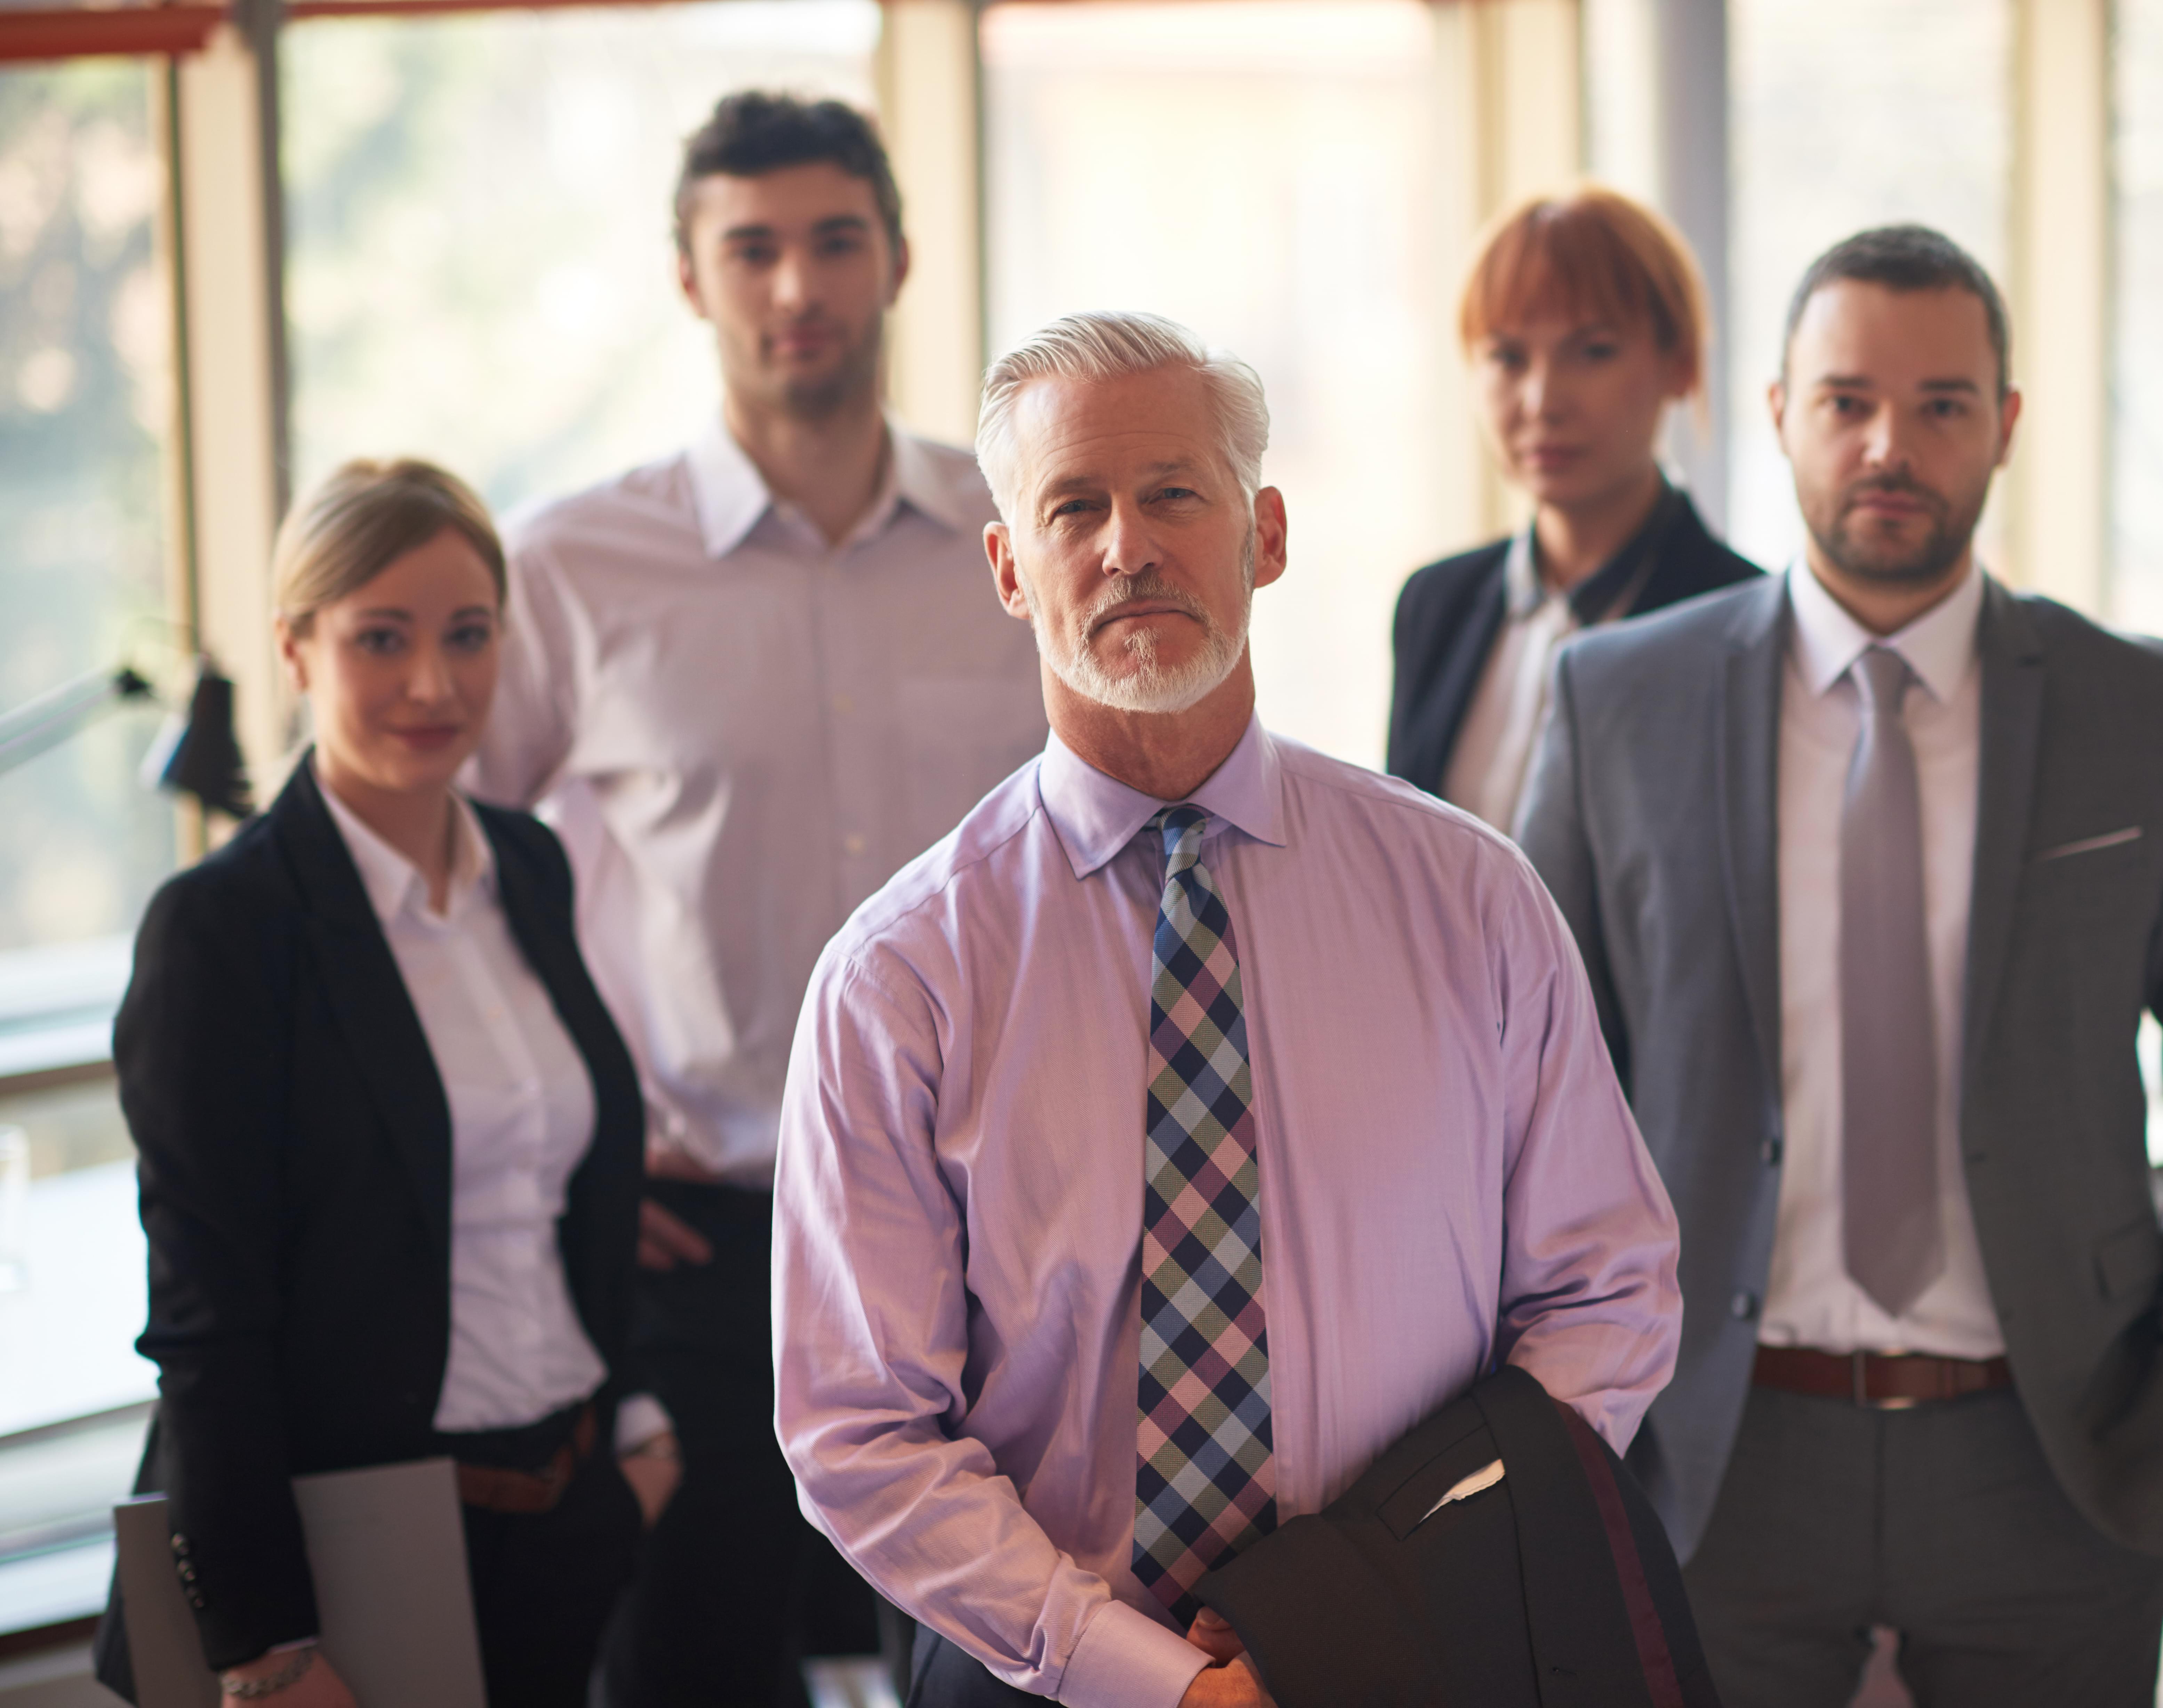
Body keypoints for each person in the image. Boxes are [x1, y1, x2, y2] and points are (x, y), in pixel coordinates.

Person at [771, 310, 1684, 1708]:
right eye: (1075, 506)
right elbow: (861, 1429)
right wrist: (1161, 1682)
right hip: (1043, 1685)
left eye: (1173, 494)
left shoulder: (1470, 899)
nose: (1126, 544)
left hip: (1425, 1662)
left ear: (1263, 534)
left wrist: (1382, 1597)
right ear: (1012, 569)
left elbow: (1606, 1293)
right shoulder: (901, 978)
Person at [1516, 225, 2163, 1706]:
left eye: (1943, 403)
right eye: (1847, 401)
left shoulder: (2152, 713)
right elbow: (1513, 1105)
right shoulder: (1615, 700)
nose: (1890, 445)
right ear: (1775, 414)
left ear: (2005, 425)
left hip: (2056, 1452)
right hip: (1713, 1456)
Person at [467, 92, 1048, 1705]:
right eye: (753, 248)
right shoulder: (575, 567)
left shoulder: (1019, 539)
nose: (797, 286)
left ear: (898, 262)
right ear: (689, 278)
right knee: (695, 1670)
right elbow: (442, 881)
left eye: (834, 242)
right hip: (703, 1236)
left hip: (998, 1216)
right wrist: (567, 1137)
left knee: (1010, 1656)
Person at [97, 460, 659, 1707]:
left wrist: (633, 1425)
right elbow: (207, 1318)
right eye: (381, 639)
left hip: (566, 1511)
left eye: (468, 636)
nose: (432, 684)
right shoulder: (223, 929)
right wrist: (264, 1639)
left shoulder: (532, 863)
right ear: (296, 650)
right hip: (354, 1547)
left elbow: (563, 1178)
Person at [1387, 187, 1760, 831]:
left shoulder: (1746, 628)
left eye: (1593, 352)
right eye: (1507, 357)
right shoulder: (1436, 603)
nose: (1541, 401)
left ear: (1679, 363)